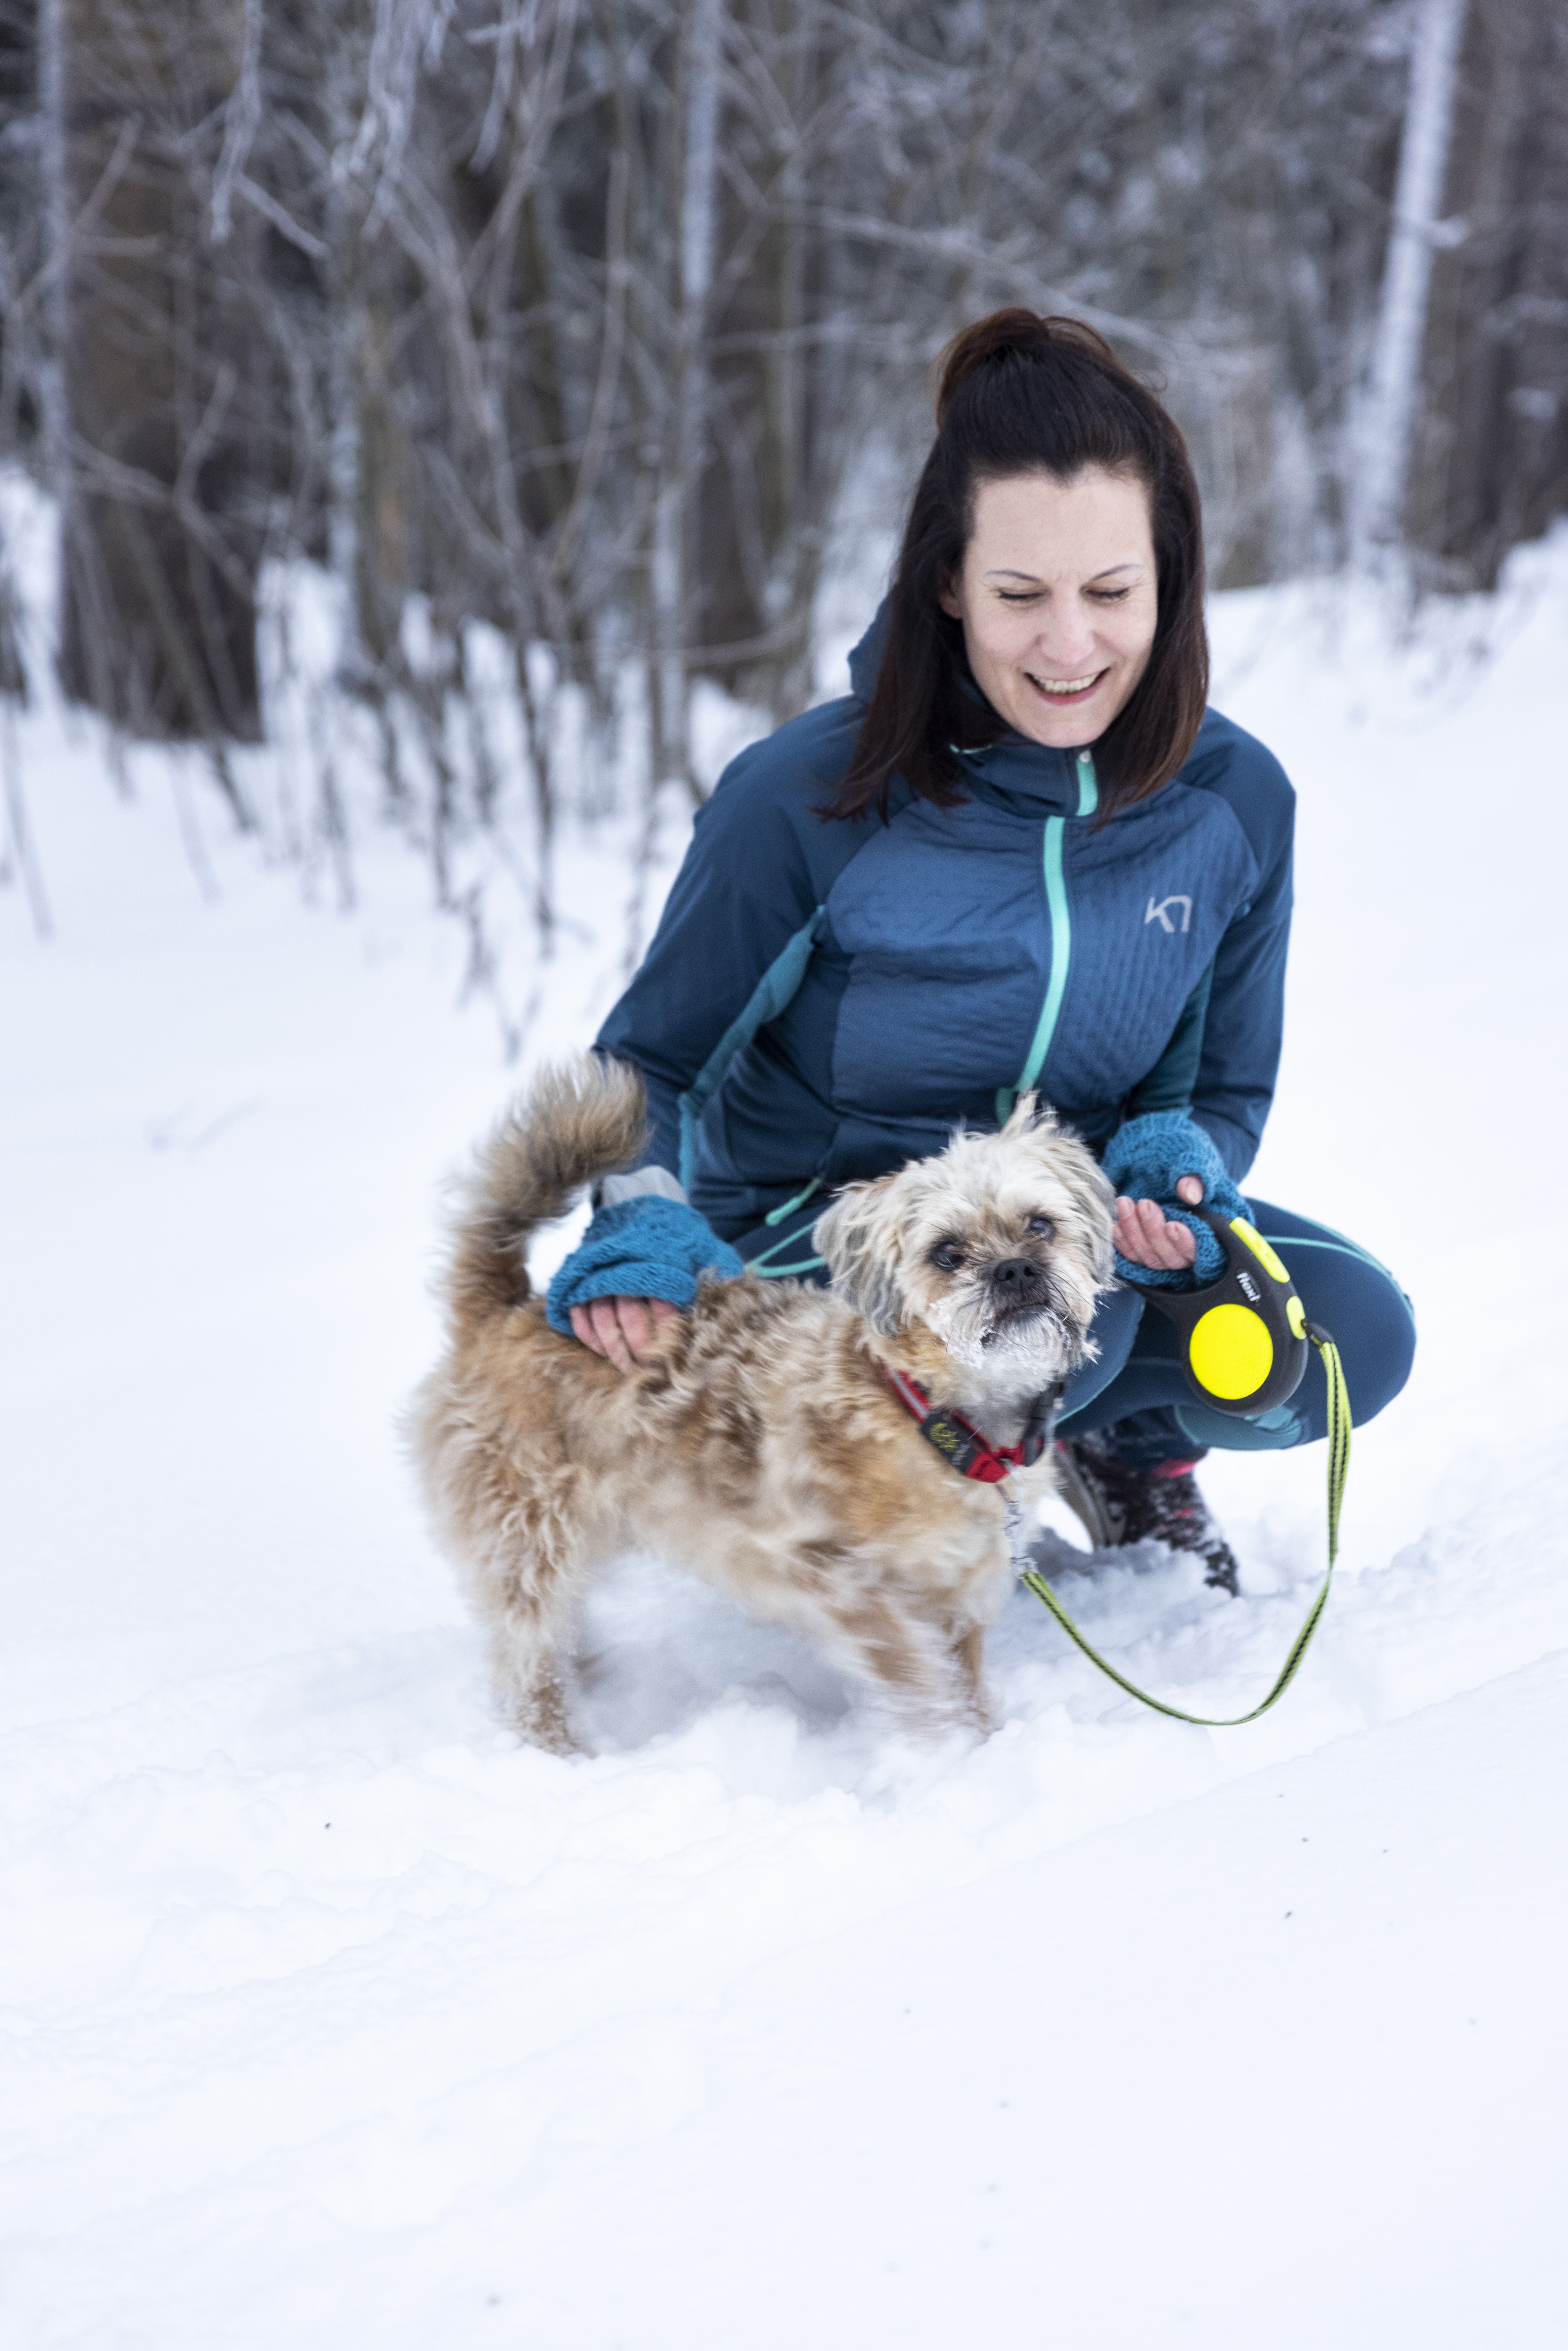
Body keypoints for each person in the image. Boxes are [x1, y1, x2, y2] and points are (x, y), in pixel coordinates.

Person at [547, 310, 1415, 1591]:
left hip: (1060, 1233)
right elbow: (645, 1064)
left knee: (1341, 1344)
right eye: (1020, 595)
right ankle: (863, 1499)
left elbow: (1214, 1088)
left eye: (1111, 592)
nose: (1070, 649)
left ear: (1169, 577)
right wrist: (645, 1227)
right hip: (813, 1240)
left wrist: (1176, 1167)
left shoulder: (1233, 804)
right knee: (1061, 1314)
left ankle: (1122, 1452)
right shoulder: (806, 798)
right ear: (945, 582)